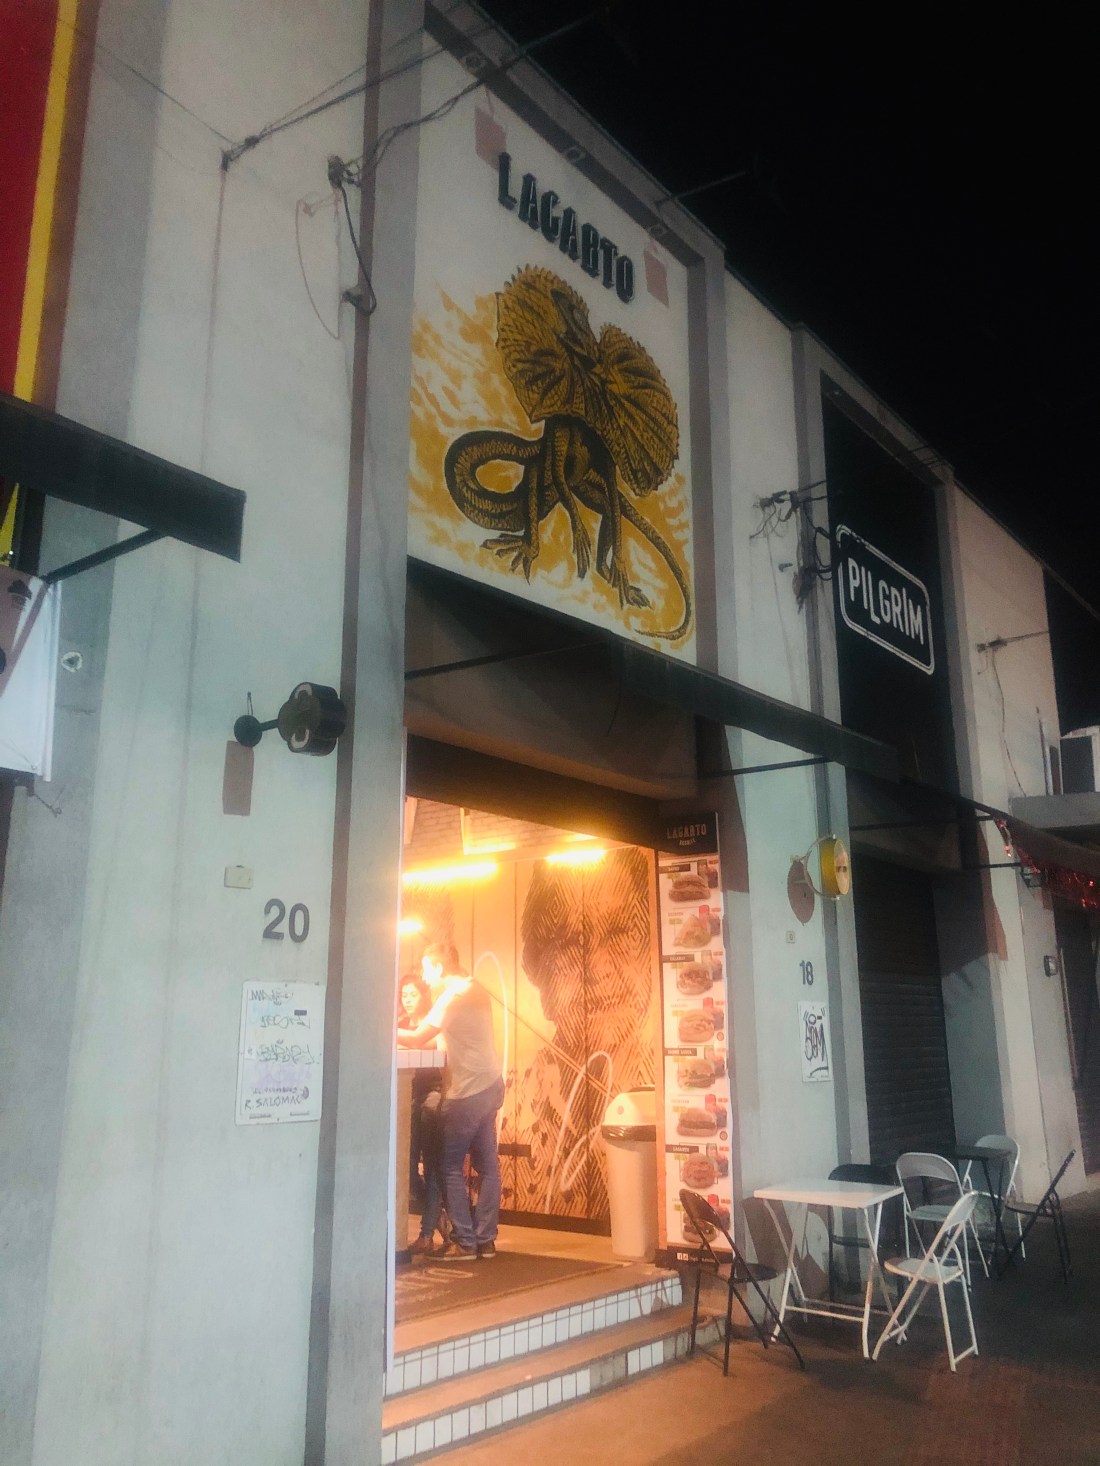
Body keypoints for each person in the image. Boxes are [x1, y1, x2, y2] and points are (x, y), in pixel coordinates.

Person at [397, 941, 504, 1261]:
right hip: (491, 1084)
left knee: (448, 1165)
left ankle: (465, 1242)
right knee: (488, 1166)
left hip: (466, 1090)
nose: (424, 977)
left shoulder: (453, 996)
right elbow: (450, 1041)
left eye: (426, 969)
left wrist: (378, 1028)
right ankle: (485, 1240)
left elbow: (418, 1038)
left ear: (439, 966)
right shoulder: (476, 989)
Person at [396, 974, 445, 1251]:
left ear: (424, 996)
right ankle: (438, 1214)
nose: (407, 999)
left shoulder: (432, 1025)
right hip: (407, 1098)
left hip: (431, 1095)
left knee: (432, 1163)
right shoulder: (401, 1025)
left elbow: (425, 1044)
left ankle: (427, 1232)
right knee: (407, 1166)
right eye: (404, 995)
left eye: (413, 994)